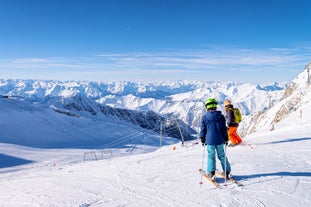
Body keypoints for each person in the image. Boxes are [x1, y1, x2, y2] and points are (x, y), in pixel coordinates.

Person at [199, 98, 231, 180]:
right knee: (222, 156)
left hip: (210, 141)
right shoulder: (221, 117)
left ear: (207, 107)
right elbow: (224, 129)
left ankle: (211, 173)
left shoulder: (205, 117)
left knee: (211, 156)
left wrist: (202, 138)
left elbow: (203, 129)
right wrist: (226, 138)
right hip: (220, 140)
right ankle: (227, 171)